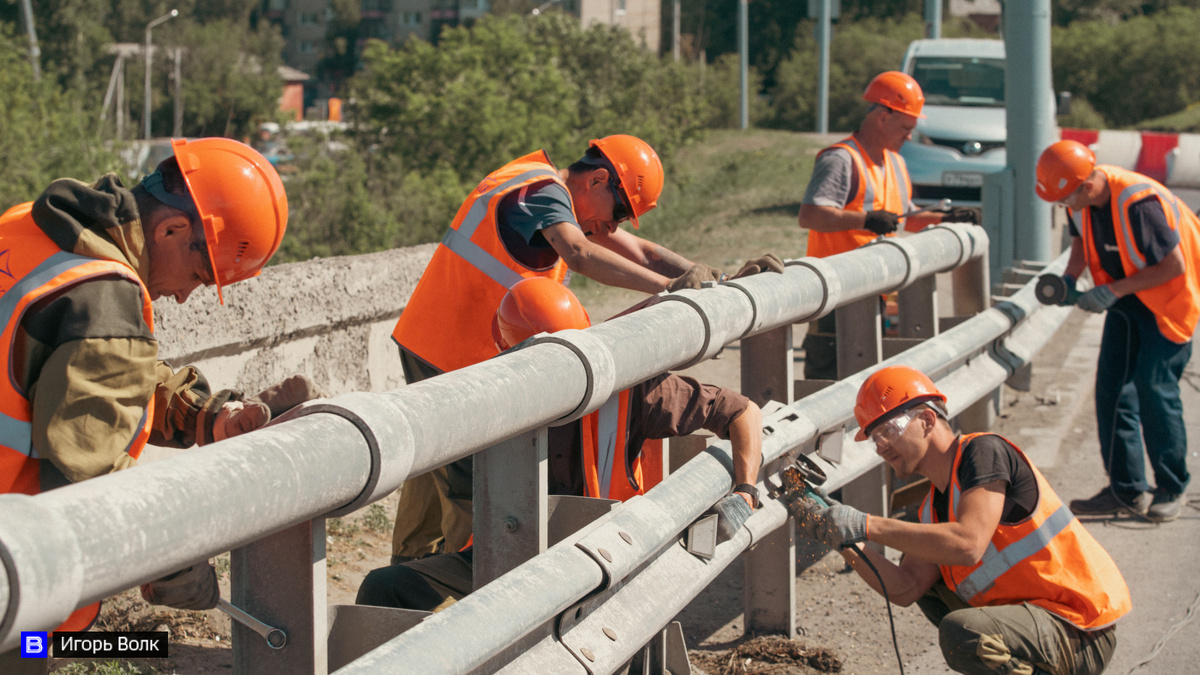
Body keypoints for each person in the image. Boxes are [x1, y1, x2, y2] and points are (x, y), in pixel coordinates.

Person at [388, 134, 782, 562]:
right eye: (619, 213)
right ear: (597, 180)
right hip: (454, 351)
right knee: (469, 484)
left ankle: (410, 567)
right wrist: (670, 289)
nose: (614, 228)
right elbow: (578, 253)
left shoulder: (550, 197)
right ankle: (461, 586)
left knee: (432, 467)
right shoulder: (539, 192)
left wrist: (715, 282)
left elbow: (643, 254)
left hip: (437, 341)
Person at [0, 138, 323, 639]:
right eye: (198, 275)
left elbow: (75, 372)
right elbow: (88, 483)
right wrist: (168, 555)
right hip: (13, 578)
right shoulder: (105, 298)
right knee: (42, 652)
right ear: (173, 228)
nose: (182, 295)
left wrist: (207, 415)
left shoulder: (35, 231)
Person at [356, 278, 764, 610]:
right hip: (511, 561)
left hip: (603, 555)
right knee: (386, 588)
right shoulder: (488, 399)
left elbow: (741, 411)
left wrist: (745, 492)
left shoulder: (628, 390)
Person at [794, 365, 1130, 675]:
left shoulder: (983, 452)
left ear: (927, 419)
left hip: (1077, 626)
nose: (881, 446)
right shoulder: (932, 509)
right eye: (874, 438)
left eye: (888, 430)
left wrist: (864, 524)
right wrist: (842, 538)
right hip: (1037, 623)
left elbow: (969, 544)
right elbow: (905, 588)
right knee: (932, 591)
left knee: (962, 631)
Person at [1035, 139, 1198, 521]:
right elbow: (1079, 238)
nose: (1064, 208)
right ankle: (1125, 490)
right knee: (1112, 388)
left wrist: (1111, 290)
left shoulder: (1139, 204)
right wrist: (1069, 279)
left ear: (1086, 187)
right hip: (1129, 302)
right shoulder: (1083, 197)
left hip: (1168, 304)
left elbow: (1174, 266)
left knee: (1154, 387)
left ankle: (1171, 487)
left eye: (1065, 200)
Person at [797, 71, 979, 380]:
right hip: (837, 300)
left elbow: (905, 216)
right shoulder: (841, 159)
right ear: (883, 117)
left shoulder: (896, 162)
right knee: (827, 387)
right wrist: (866, 220)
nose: (910, 136)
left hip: (880, 293)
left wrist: (945, 218)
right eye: (906, 127)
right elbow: (811, 215)